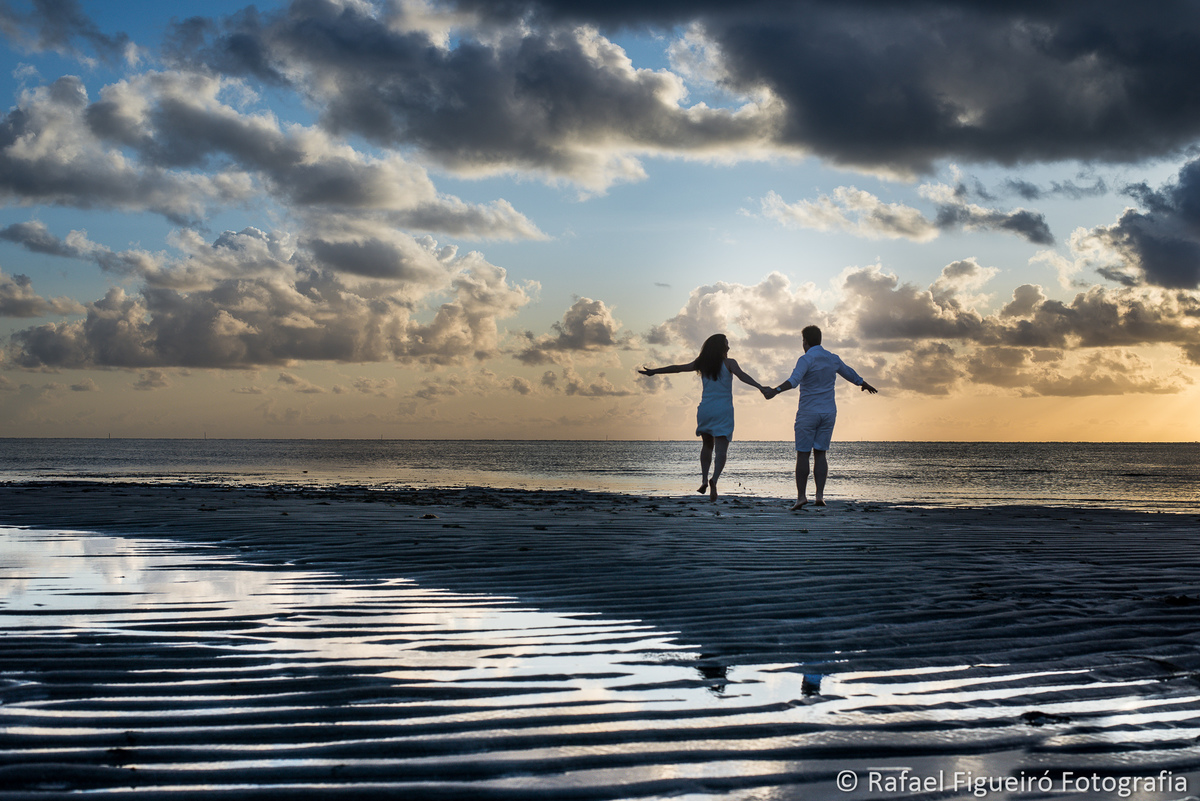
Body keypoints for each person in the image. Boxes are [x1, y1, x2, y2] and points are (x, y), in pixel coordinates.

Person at [639, 334, 768, 501]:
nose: (728, 348)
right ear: (720, 347)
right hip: (723, 410)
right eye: (726, 345)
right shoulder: (730, 363)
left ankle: (703, 480)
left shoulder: (702, 364)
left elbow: (678, 368)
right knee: (721, 451)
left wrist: (655, 372)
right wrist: (760, 387)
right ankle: (714, 480)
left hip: (706, 409)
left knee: (707, 445)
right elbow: (742, 376)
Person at [762, 325, 877, 510]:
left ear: (805, 341)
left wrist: (775, 391)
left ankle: (801, 497)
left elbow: (793, 381)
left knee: (803, 454)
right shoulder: (832, 358)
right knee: (821, 453)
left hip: (808, 412)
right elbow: (849, 373)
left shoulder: (806, 359)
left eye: (803, 341)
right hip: (829, 413)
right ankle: (819, 496)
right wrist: (862, 383)